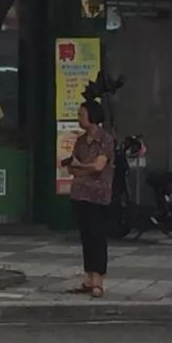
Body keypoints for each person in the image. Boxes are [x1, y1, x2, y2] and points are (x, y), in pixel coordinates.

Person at [65, 100, 115, 298]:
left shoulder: (105, 140)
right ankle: (88, 278)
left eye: (81, 115)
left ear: (92, 117)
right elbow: (70, 167)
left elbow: (98, 167)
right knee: (85, 237)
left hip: (98, 195)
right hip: (79, 194)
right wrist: (82, 167)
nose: (79, 118)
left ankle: (98, 281)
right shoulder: (80, 141)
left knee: (97, 237)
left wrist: (81, 167)